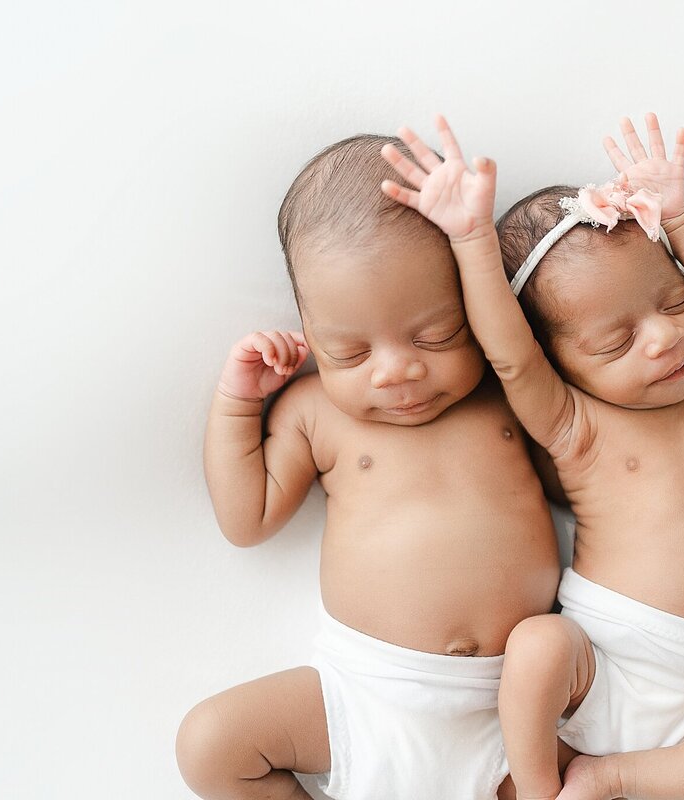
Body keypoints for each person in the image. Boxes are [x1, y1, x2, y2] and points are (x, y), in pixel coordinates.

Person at [381, 114, 684, 800]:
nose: (663, 338)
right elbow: (510, 358)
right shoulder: (577, 427)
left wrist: (679, 218)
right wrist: (471, 241)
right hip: (599, 663)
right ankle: (538, 784)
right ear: (563, 366)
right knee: (538, 645)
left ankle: (613, 779)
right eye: (614, 342)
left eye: (672, 300)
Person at [175, 133, 561, 800]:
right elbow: (246, 519)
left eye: (436, 335)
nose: (398, 371)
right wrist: (237, 401)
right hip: (366, 695)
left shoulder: (507, 392)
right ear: (309, 331)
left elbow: (577, 478)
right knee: (211, 744)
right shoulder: (314, 409)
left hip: (517, 708)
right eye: (350, 352)